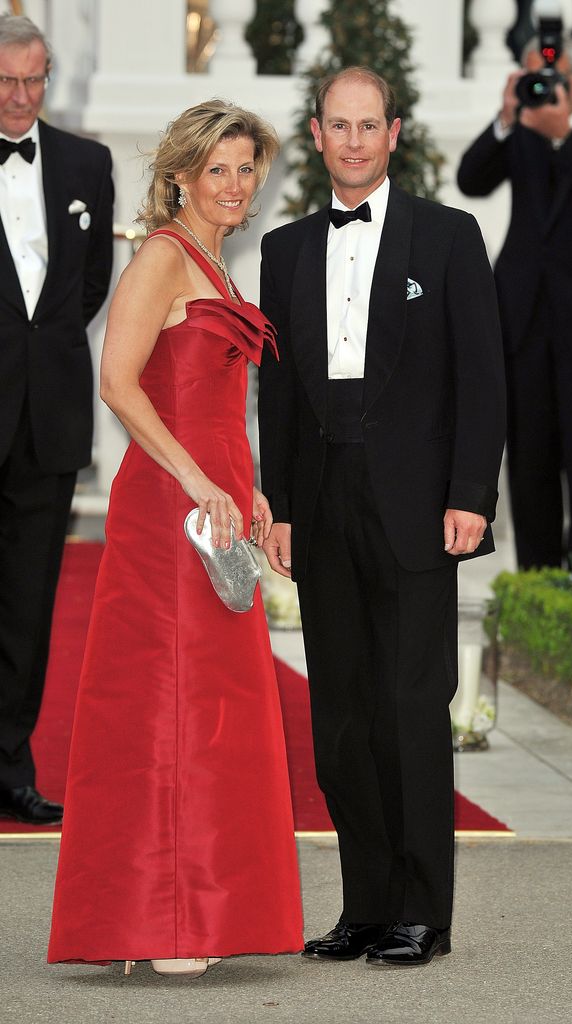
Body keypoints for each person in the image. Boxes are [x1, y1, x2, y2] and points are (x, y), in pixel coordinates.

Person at [48, 100, 303, 976]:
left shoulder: (220, 266)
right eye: (217, 170)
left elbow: (218, 402)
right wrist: (199, 481)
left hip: (218, 504)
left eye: (245, 169)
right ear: (182, 176)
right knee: (169, 699)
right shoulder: (162, 255)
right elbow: (119, 384)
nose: (234, 186)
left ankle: (202, 907)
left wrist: (254, 490)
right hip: (170, 510)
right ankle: (162, 918)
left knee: (218, 705)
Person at [258, 66, 505, 968]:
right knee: (343, 720)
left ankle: (421, 911)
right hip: (322, 507)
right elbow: (276, 392)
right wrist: (279, 506)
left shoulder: (448, 238)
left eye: (370, 125)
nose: (355, 141)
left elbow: (484, 379)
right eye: (339, 125)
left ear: (394, 132)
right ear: (317, 134)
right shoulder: (283, 252)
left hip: (417, 508)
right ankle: (365, 904)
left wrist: (471, 495)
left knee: (409, 706)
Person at [0, 15, 113, 827]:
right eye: (6, 81)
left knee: (28, 607)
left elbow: (90, 286)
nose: (21, 96)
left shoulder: (86, 162)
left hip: (49, 422)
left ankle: (11, 767)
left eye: (34, 80)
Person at [457, 35, 572, 571]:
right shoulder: (521, 121)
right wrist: (505, 117)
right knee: (529, 459)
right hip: (521, 321)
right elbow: (470, 179)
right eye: (532, 78)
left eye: (553, 78)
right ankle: (537, 580)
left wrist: (565, 136)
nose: (544, 88)